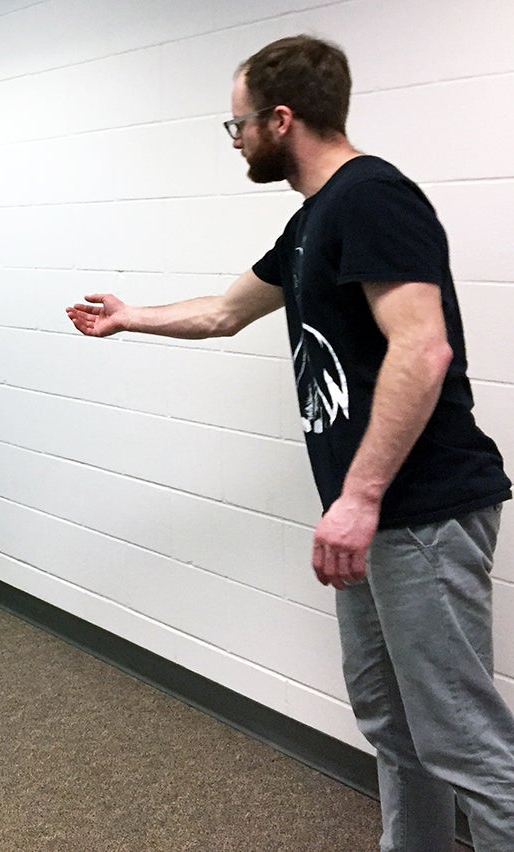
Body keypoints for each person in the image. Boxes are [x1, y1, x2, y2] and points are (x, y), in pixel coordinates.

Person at [65, 35, 514, 852]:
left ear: (281, 118)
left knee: (463, 739)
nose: (233, 140)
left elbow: (423, 350)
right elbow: (225, 311)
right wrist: (131, 316)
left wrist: (360, 496)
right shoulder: (314, 217)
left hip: (423, 509)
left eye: (235, 124)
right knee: (392, 721)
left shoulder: (374, 198)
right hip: (373, 519)